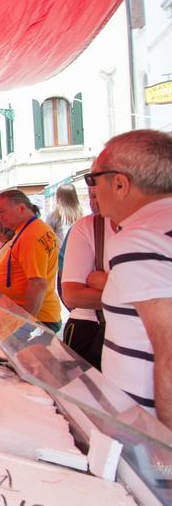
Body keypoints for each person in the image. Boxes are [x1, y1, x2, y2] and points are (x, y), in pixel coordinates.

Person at [88, 130, 172, 425]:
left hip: (148, 430)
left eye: (93, 179)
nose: (93, 191)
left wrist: (162, 453)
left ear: (120, 183)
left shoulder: (139, 238)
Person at [0, 189, 62, 332]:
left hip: (39, 319)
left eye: (2, 211)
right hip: (32, 315)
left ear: (21, 208)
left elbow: (37, 284)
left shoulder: (31, 235)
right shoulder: (29, 229)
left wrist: (23, 325)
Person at [60, 187, 116, 370]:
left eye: (98, 193)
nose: (95, 202)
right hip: (93, 328)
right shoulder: (88, 226)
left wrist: (106, 283)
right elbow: (73, 296)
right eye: (92, 195)